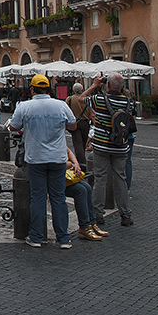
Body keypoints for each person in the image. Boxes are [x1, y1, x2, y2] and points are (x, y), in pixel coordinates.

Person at [8, 74, 77, 248]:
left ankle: (37, 237)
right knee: (58, 198)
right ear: (48, 88)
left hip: (36, 158)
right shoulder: (60, 105)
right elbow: (73, 125)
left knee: (38, 198)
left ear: (32, 89)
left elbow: (13, 127)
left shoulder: (25, 106)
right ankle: (63, 238)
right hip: (58, 158)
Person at [85, 73, 136, 227]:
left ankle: (98, 214)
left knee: (100, 178)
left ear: (107, 85)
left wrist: (94, 85)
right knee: (120, 179)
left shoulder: (99, 99)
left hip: (101, 145)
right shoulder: (129, 102)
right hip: (121, 145)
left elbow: (82, 99)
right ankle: (125, 215)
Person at [64, 147, 106, 240]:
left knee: (87, 187)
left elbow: (68, 151)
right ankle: (84, 226)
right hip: (55, 176)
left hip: (65, 172)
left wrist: (76, 164)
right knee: (80, 191)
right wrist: (71, 164)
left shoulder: (57, 136)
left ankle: (91, 223)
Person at [66, 81, 96, 164]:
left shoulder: (70, 99)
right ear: (82, 89)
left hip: (74, 123)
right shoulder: (86, 99)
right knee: (83, 141)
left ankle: (81, 161)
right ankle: (82, 160)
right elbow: (92, 114)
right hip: (85, 123)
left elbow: (66, 111)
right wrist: (96, 125)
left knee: (77, 142)